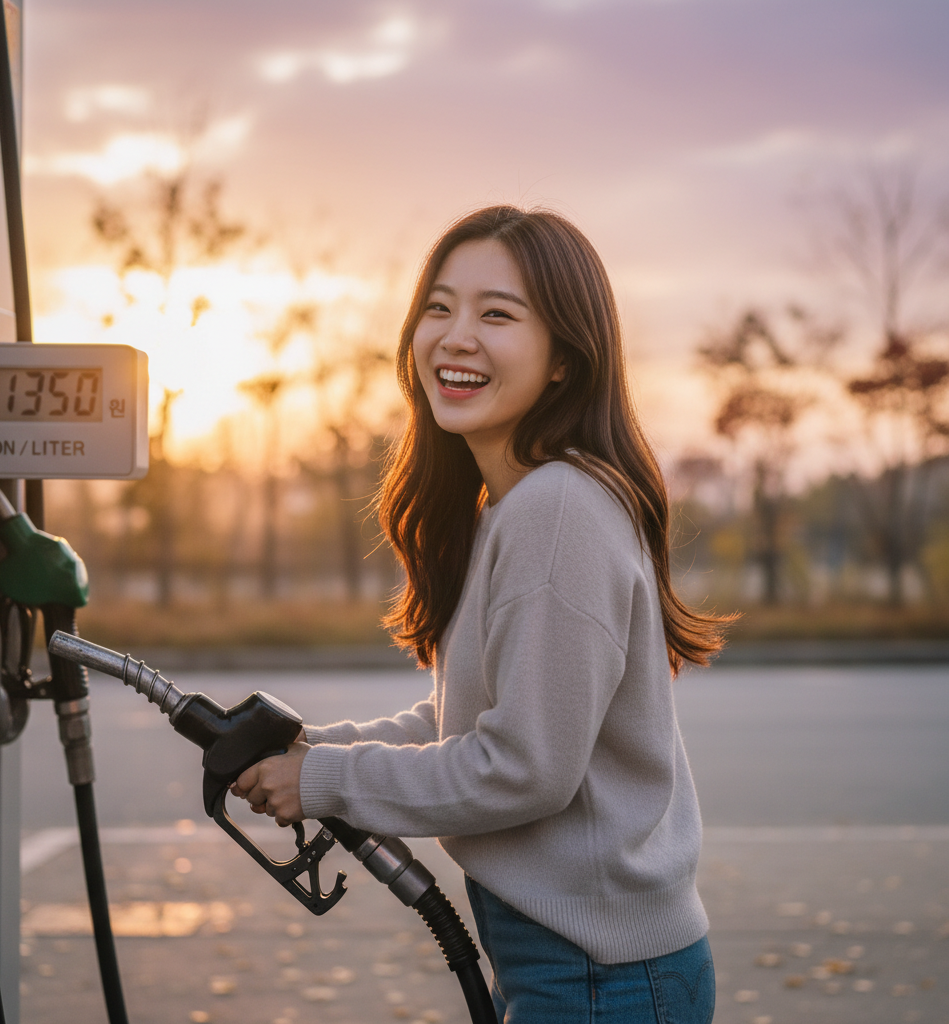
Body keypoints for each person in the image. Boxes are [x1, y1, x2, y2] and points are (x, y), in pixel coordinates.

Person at [231, 206, 727, 1022]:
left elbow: (523, 766)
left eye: (497, 314)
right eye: (439, 307)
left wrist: (323, 780)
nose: (455, 336)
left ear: (566, 357)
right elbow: (463, 718)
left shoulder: (558, 509)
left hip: (598, 977)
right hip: (578, 961)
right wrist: (310, 747)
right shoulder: (521, 503)